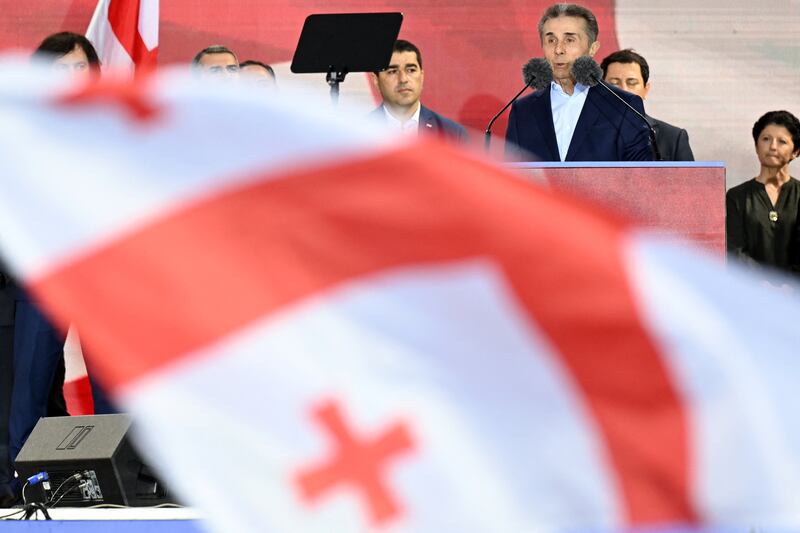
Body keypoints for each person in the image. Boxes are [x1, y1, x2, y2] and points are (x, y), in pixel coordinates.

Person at [505, 4, 652, 162]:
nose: (558, 49)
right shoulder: (523, 111)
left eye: (569, 40)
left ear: (592, 49)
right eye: (551, 40)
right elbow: (510, 177)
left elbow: (642, 177)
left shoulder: (623, 106)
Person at [726, 110, 800, 276]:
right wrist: (764, 285)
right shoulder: (736, 196)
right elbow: (734, 251)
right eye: (766, 139)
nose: (772, 146)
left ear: (796, 151)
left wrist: (789, 286)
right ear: (756, 146)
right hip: (750, 292)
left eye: (782, 141)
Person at [600, 49, 694, 161]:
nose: (624, 90)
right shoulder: (581, 134)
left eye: (632, 83)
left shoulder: (673, 138)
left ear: (646, 90)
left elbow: (690, 178)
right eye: (614, 83)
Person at [369, 40, 467, 142]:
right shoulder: (356, 137)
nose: (403, 79)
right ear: (376, 80)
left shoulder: (454, 134)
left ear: (422, 76)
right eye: (392, 71)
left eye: (411, 70)